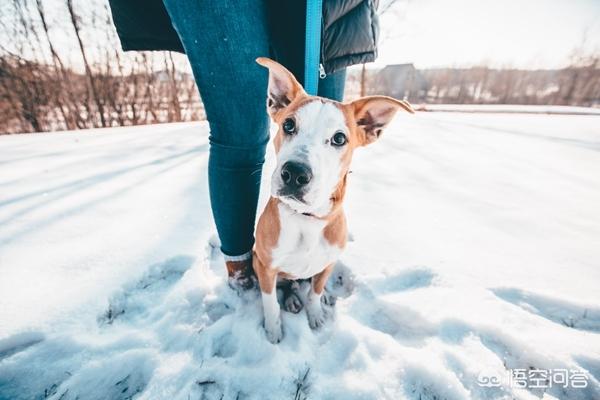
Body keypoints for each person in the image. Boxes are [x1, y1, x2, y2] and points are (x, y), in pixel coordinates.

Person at [108, 0, 380, 290]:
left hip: (327, 8)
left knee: (330, 127)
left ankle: (312, 260)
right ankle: (242, 267)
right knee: (239, 136)